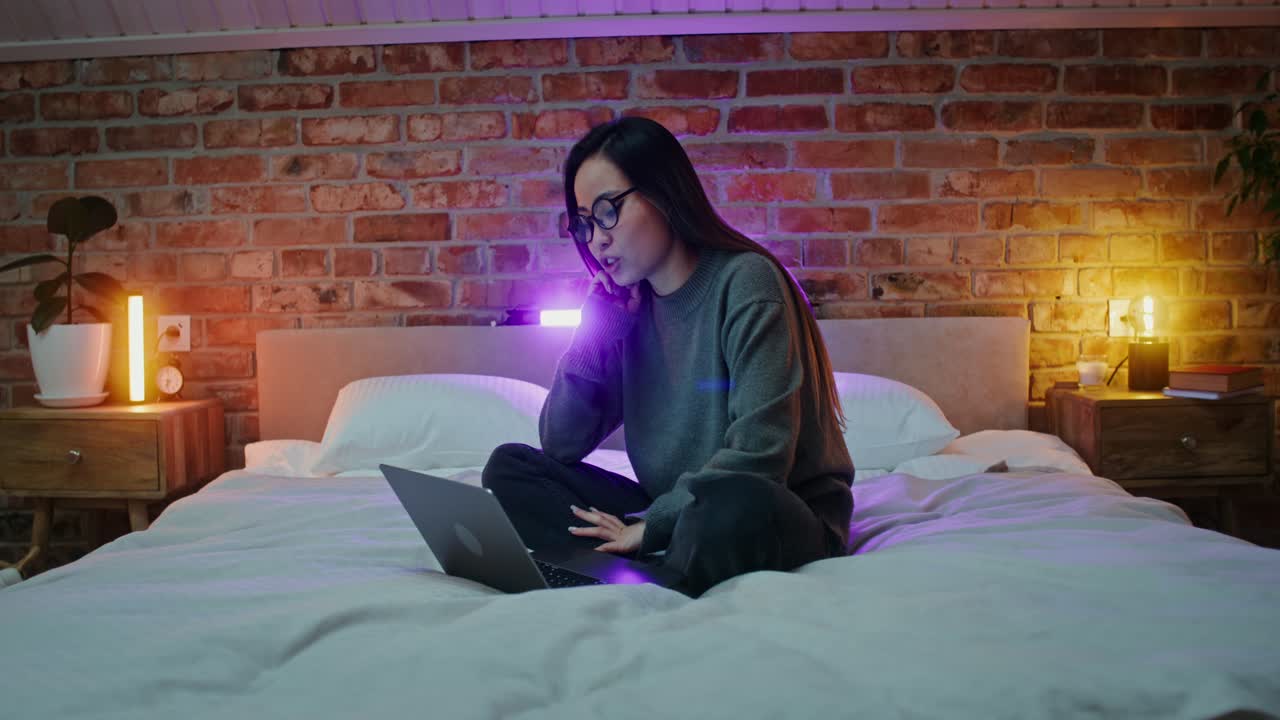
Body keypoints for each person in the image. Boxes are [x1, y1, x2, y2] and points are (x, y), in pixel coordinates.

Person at [481, 116, 854, 598]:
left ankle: (638, 562)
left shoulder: (747, 282)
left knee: (729, 503)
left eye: (608, 211)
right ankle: (655, 563)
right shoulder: (628, 306)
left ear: (663, 193)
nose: (596, 239)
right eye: (585, 222)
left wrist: (650, 525)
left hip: (774, 506)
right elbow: (559, 443)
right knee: (510, 469)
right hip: (676, 506)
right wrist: (598, 329)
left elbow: (760, 456)